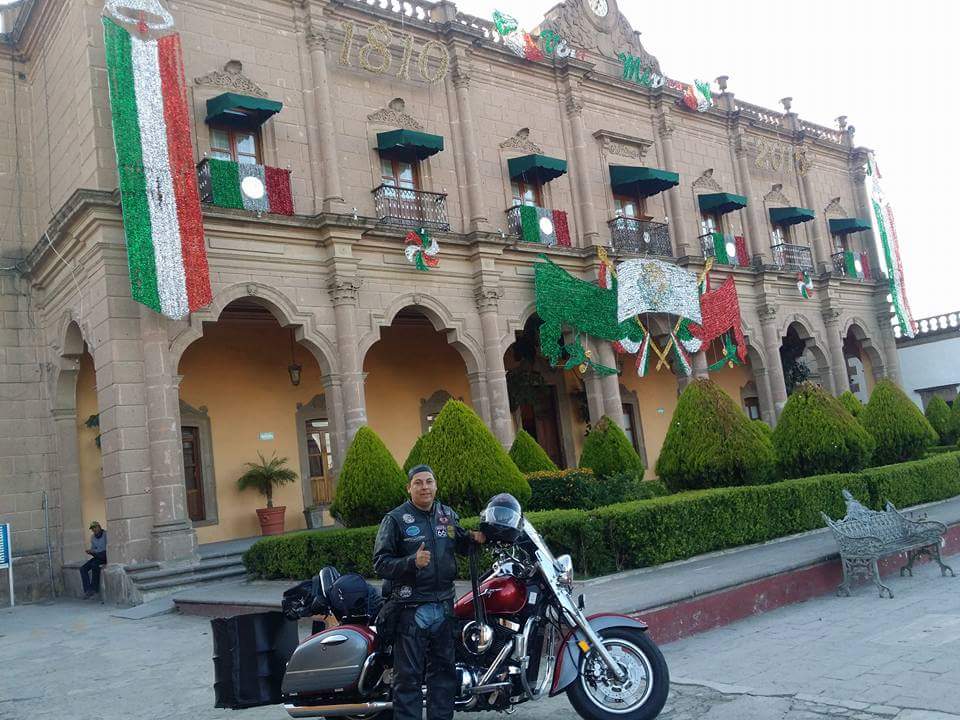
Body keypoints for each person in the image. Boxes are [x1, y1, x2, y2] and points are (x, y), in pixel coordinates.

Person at [373, 465, 485, 720]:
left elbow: (459, 540)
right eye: (418, 483)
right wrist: (411, 562)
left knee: (444, 676)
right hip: (411, 608)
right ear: (409, 488)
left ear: (436, 486)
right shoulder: (395, 519)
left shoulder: (446, 515)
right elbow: (380, 563)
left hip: (444, 606)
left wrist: (475, 538)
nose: (424, 487)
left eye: (429, 482)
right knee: (408, 679)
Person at [81, 521, 107, 599]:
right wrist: (91, 552)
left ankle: (94, 589)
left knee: (94, 565)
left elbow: (106, 548)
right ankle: (88, 590)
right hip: (96, 556)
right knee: (83, 568)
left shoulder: (106, 534)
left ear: (99, 527)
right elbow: (94, 549)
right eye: (92, 529)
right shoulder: (92, 537)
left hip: (104, 555)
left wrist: (96, 552)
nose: (94, 530)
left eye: (95, 528)